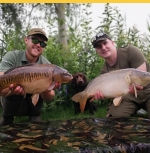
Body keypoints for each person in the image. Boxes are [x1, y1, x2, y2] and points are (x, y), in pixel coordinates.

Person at [0, 28, 58, 126]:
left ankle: (35, 116)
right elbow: (1, 77)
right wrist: (14, 88)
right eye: (35, 40)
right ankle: (7, 117)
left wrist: (47, 87)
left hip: (32, 98)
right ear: (26, 40)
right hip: (12, 95)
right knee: (9, 85)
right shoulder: (12, 56)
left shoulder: (46, 64)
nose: (38, 45)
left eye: (42, 43)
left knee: (40, 87)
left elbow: (50, 97)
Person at [91, 32, 150, 118]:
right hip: (128, 97)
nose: (103, 48)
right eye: (99, 46)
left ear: (112, 42)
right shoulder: (104, 73)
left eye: (105, 43)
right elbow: (113, 94)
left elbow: (142, 78)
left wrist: (136, 88)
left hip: (148, 90)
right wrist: (101, 95)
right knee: (114, 120)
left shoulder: (131, 52)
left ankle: (141, 109)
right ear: (97, 51)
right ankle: (135, 110)